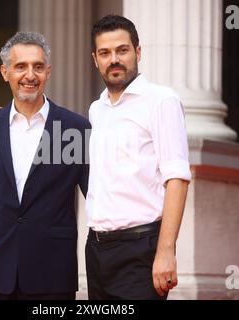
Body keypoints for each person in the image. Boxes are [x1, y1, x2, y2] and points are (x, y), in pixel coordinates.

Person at [0, 31, 90, 300]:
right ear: (5, 73)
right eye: (20, 67)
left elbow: (99, 198)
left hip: (52, 276)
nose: (30, 75)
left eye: (38, 67)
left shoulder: (74, 128)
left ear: (48, 72)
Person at [85, 15, 192, 300]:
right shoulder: (97, 109)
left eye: (122, 50)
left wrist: (166, 251)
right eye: (105, 53)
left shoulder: (161, 101)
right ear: (95, 60)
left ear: (138, 52)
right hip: (96, 250)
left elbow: (177, 178)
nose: (114, 60)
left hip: (140, 249)